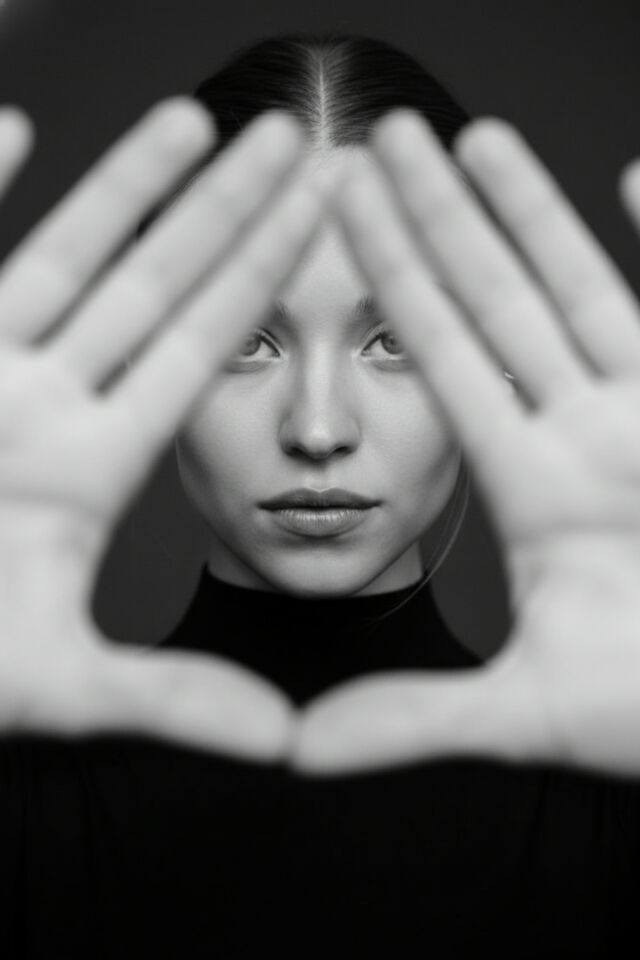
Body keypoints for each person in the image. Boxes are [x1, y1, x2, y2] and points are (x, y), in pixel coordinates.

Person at [1, 29, 640, 957]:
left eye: (396, 339)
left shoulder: (612, 772)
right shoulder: (26, 791)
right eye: (245, 340)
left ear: (492, 357)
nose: (317, 427)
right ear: (147, 361)